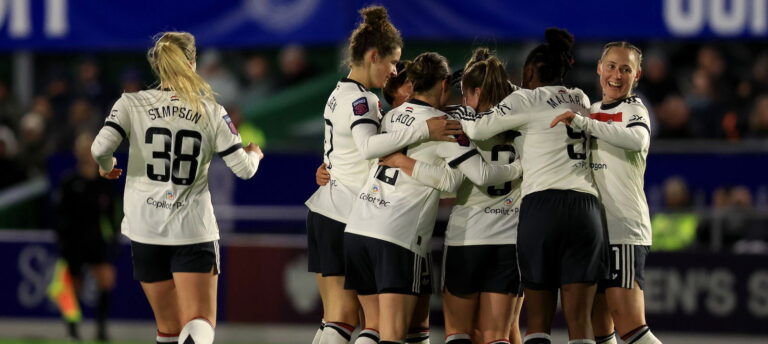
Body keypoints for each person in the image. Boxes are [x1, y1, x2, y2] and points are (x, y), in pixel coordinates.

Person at [91, 31, 263, 344]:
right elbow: (244, 170)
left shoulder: (131, 103)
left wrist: (106, 168)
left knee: (167, 329)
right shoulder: (211, 111)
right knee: (199, 322)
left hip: (145, 229)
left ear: (157, 67)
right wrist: (255, 153)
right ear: (193, 64)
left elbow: (99, 148)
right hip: (191, 228)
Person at [304, 7, 462, 344]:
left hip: (325, 209)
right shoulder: (365, 102)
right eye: (392, 63)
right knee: (367, 323)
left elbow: (346, 149)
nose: (393, 72)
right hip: (352, 213)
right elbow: (366, 146)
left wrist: (328, 169)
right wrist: (423, 129)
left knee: (336, 319)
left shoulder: (338, 93)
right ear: (373, 55)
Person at [344, 51, 521, 344]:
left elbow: (446, 178)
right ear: (442, 85)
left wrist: (403, 162)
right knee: (392, 335)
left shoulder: (390, 116)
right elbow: (472, 177)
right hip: (398, 234)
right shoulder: (445, 125)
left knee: (371, 328)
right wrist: (521, 167)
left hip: (359, 227)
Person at [454, 28, 607, 344]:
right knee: (580, 321)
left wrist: (465, 112)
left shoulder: (525, 98)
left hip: (543, 207)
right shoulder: (581, 97)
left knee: (538, 322)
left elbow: (480, 130)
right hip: (586, 209)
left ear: (530, 72)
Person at [550, 42, 662, 344]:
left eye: (626, 69)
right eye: (611, 66)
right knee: (600, 328)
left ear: (637, 75)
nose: (616, 74)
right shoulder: (592, 111)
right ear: (599, 68)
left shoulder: (634, 108)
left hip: (623, 228)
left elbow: (636, 140)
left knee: (632, 328)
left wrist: (584, 123)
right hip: (594, 231)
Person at [53, 131, 118, 341]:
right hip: (74, 240)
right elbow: (60, 213)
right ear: (77, 152)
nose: (87, 153)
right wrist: (62, 239)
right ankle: (72, 328)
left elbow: (111, 215)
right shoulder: (69, 181)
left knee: (106, 280)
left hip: (96, 238)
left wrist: (114, 236)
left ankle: (101, 328)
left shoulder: (105, 183)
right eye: (83, 149)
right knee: (72, 285)